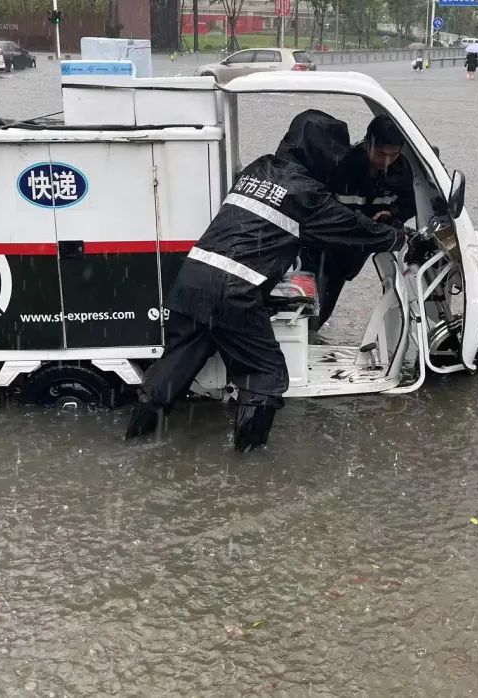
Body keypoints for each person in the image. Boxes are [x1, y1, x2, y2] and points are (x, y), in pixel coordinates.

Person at [126, 110, 405, 452]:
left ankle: (134, 443)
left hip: (193, 279)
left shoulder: (259, 168)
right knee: (266, 376)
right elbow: (351, 228)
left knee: (174, 368)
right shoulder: (306, 193)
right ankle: (249, 465)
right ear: (322, 156)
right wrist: (395, 237)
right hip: (233, 291)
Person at [301, 114, 416, 331]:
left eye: (393, 155)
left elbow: (409, 204)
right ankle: (307, 336)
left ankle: (311, 331)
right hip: (326, 244)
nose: (386, 161)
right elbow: (317, 207)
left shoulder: (401, 172)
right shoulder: (342, 165)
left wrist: (392, 213)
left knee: (327, 299)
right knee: (312, 304)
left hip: (358, 248)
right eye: (380, 153)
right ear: (367, 142)